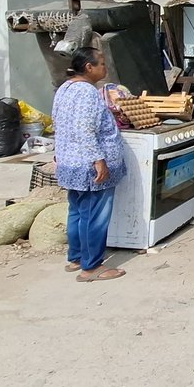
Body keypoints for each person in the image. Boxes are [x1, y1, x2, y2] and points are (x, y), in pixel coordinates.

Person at [53, 47, 127, 282]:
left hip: (71, 162)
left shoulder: (65, 88)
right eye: (102, 63)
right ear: (89, 67)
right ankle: (91, 267)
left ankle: (76, 258)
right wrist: (99, 161)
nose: (105, 68)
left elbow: (59, 123)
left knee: (77, 211)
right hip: (88, 165)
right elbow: (86, 130)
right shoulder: (86, 92)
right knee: (95, 216)